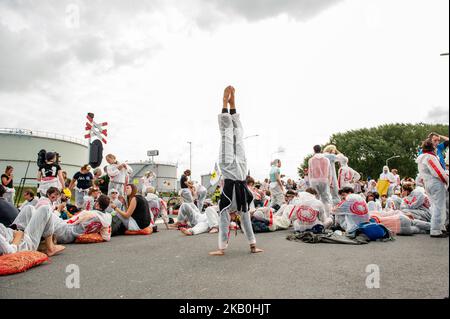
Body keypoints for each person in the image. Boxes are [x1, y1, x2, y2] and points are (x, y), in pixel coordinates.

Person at [209, 86, 262, 256]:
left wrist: (221, 249)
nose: (234, 217)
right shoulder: (240, 204)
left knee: (228, 136)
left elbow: (226, 220)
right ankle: (232, 106)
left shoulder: (228, 203)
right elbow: (243, 220)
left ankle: (226, 104)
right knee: (238, 138)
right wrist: (253, 245)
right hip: (239, 172)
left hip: (232, 173)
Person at [0, 205, 65, 256]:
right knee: (46, 209)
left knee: (28, 208)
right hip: (21, 244)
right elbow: (10, 252)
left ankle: (40, 239)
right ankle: (51, 248)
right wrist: (18, 235)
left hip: (12, 233)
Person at [416, 139, 449, 238]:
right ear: (433, 147)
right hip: (435, 183)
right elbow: (439, 172)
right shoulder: (430, 157)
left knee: (435, 206)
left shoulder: (421, 158)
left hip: (427, 183)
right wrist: (448, 181)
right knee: (439, 207)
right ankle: (436, 230)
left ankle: (440, 227)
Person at [308, 145, 332, 217]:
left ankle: (317, 216)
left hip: (314, 180)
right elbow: (329, 172)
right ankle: (327, 216)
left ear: (314, 150)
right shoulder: (326, 159)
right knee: (325, 199)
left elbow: (310, 172)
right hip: (324, 180)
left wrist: (310, 183)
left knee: (315, 198)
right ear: (321, 150)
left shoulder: (311, 160)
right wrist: (329, 182)